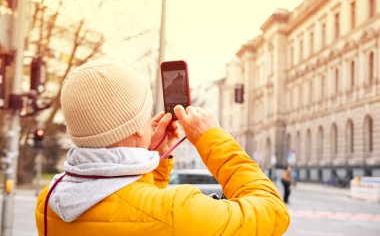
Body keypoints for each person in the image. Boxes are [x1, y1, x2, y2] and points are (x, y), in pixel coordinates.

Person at [35, 59, 290, 236]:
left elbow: (130, 211)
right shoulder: (176, 211)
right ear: (137, 129)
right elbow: (273, 211)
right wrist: (212, 138)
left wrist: (153, 158)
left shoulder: (49, 202)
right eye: (144, 115)